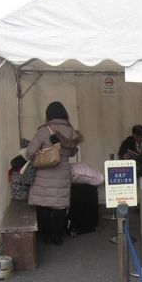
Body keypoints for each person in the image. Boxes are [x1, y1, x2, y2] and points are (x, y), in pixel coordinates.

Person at [26, 101, 83, 245]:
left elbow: (30, 152)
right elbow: (72, 153)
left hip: (43, 174)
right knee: (60, 206)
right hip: (62, 174)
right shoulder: (71, 131)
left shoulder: (43, 131)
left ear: (48, 115)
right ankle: (57, 237)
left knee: (43, 204)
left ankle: (45, 236)